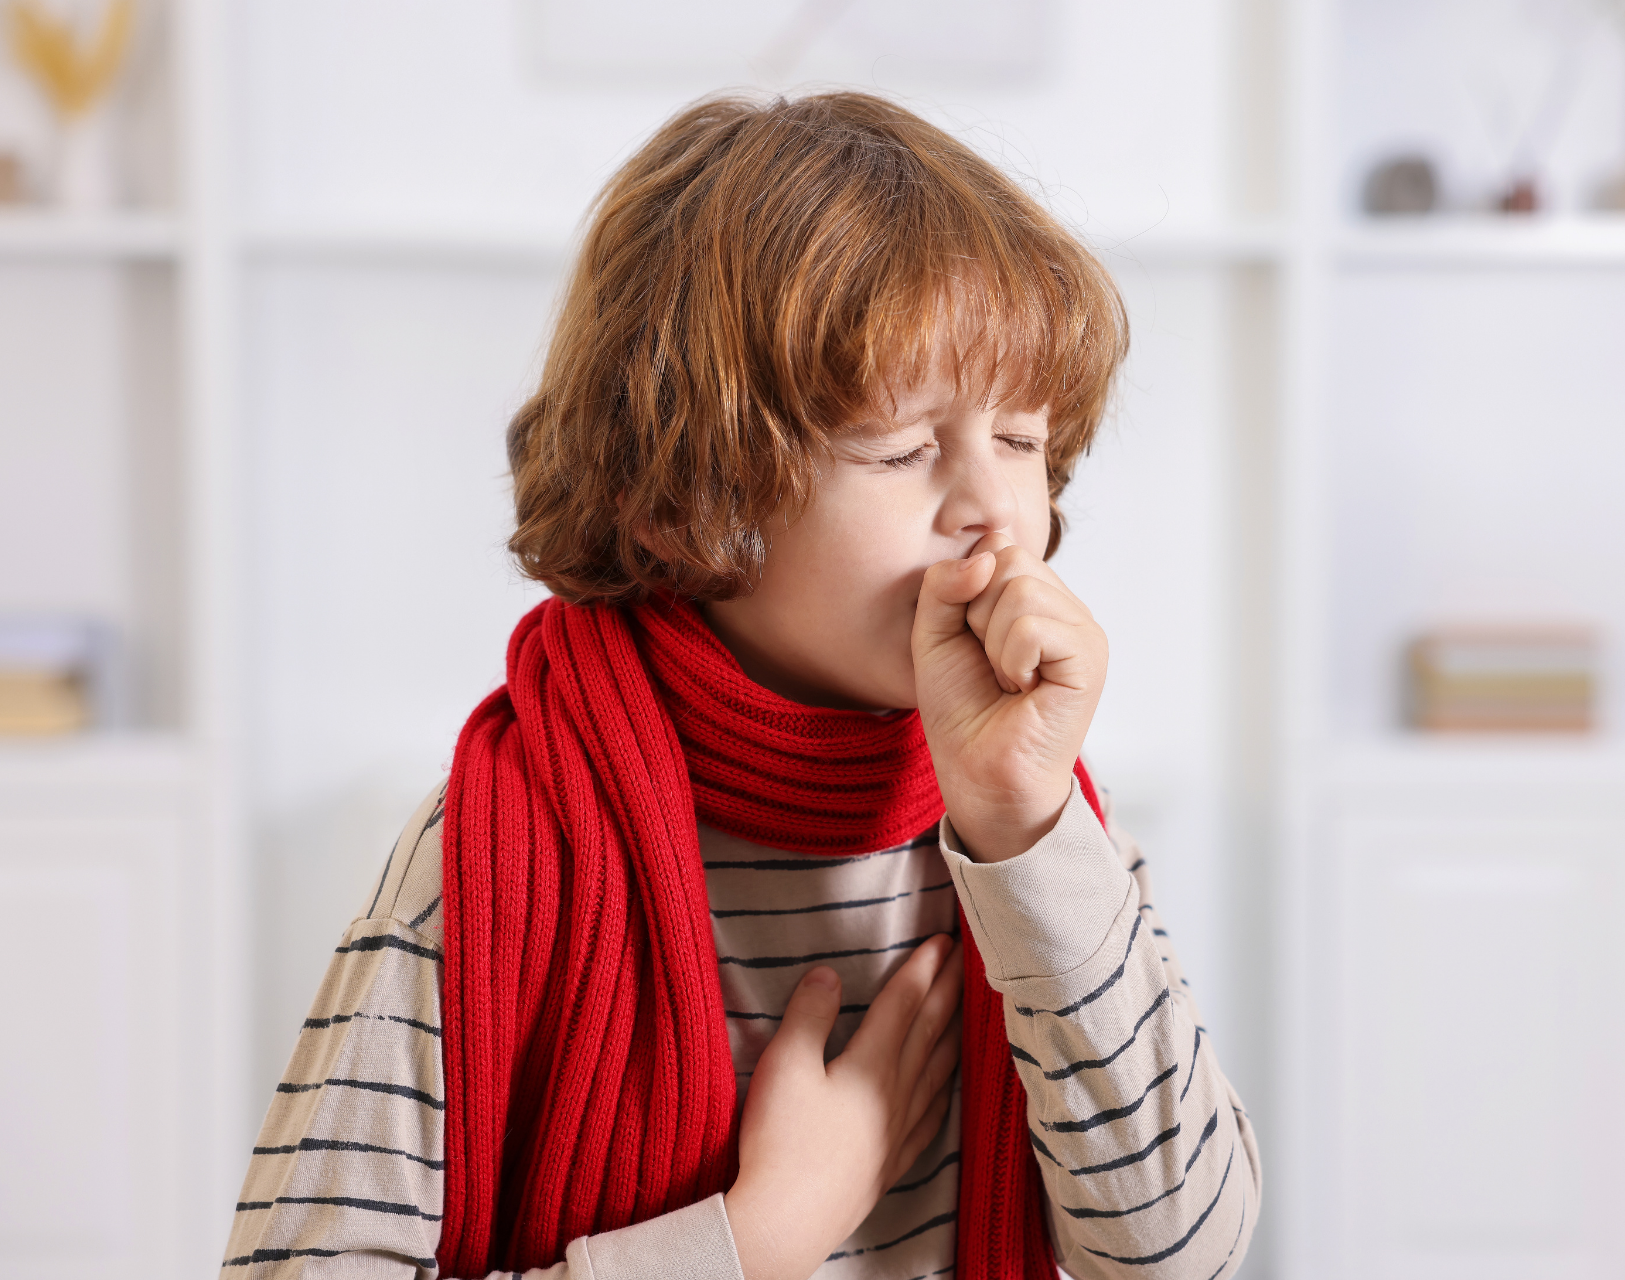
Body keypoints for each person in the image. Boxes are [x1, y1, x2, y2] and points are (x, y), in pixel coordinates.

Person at [222, 90, 1259, 1280]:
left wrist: (1028, 828)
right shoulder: (492, 848)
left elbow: (1181, 1252)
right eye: (904, 447)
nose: (993, 509)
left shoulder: (1039, 833)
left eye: (1021, 440)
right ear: (688, 501)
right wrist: (753, 1238)